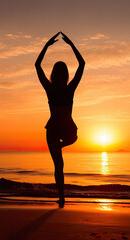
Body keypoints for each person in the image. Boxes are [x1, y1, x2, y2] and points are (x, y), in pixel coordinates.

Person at [35, 32, 85, 208]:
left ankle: (62, 196)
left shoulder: (58, 89)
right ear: (64, 75)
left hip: (59, 128)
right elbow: (82, 64)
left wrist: (47, 46)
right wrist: (71, 44)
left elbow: (37, 65)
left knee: (59, 164)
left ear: (55, 74)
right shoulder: (65, 89)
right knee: (59, 163)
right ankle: (61, 197)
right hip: (60, 128)